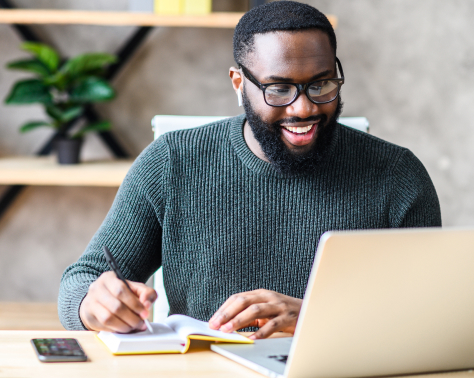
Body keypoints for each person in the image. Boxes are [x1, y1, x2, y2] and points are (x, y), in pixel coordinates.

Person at [58, 1, 441, 339]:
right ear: (239, 84)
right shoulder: (172, 163)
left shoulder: (398, 176)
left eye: (321, 84)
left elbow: (434, 315)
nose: (303, 109)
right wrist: (94, 305)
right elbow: (80, 281)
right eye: (278, 89)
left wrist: (312, 316)